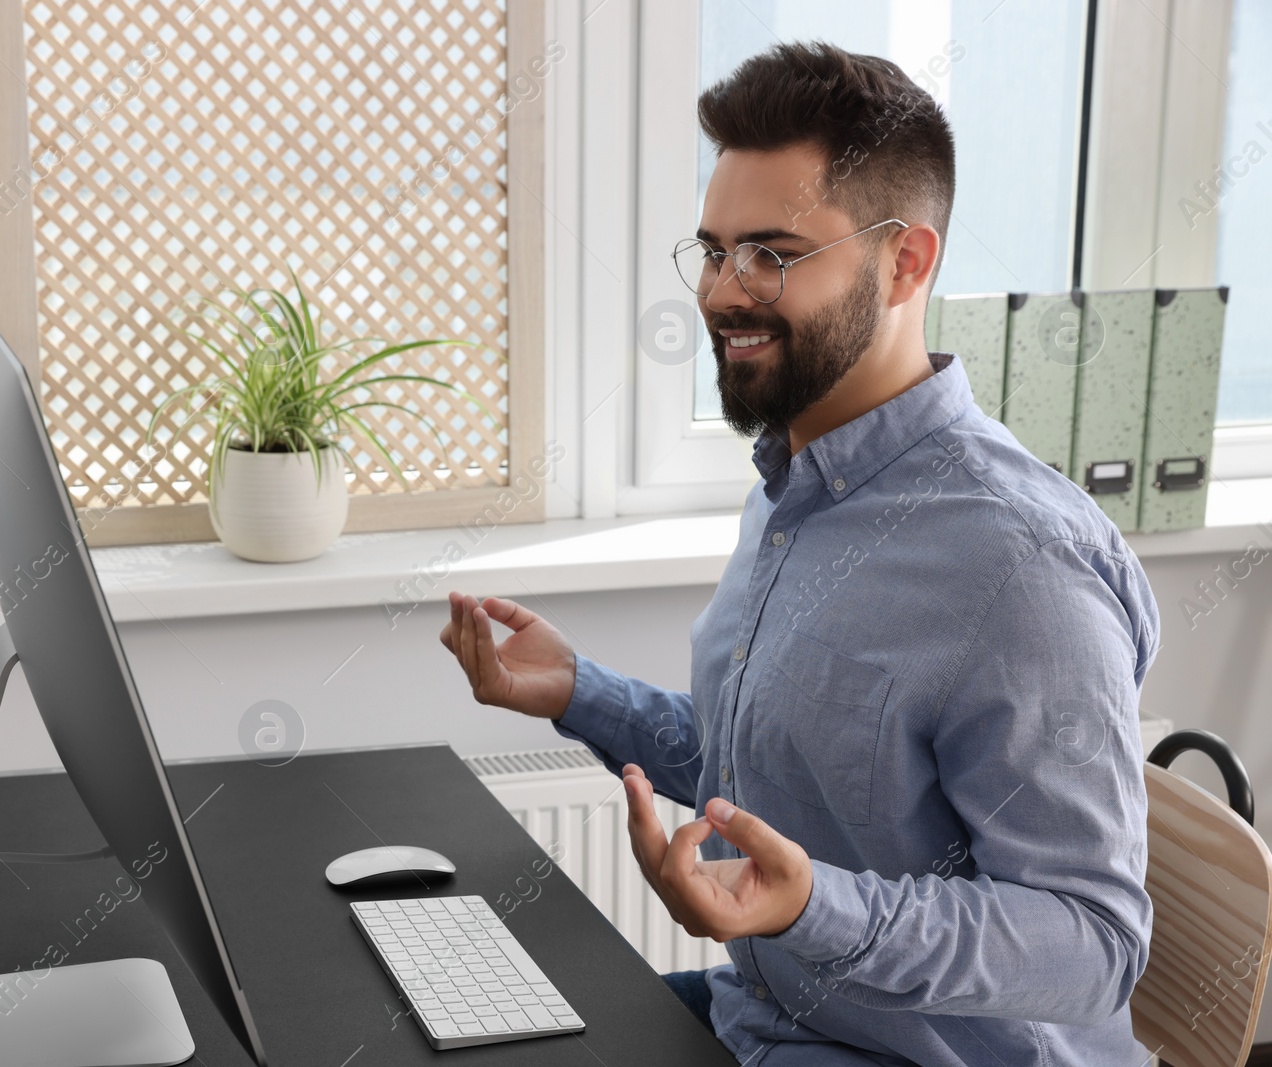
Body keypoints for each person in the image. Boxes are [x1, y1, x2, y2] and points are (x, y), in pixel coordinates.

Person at [438, 39, 1159, 1066]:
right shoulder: (795, 481)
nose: (726, 290)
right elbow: (787, 775)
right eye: (715, 249)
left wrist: (814, 907)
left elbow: (1092, 943)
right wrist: (575, 691)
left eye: (772, 253)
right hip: (772, 1017)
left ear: (905, 261)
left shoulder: (1020, 564)